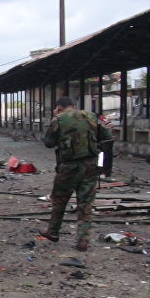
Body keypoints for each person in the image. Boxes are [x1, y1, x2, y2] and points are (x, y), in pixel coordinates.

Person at [40, 96, 113, 251]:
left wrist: (55, 119)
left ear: (59, 108)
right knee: (85, 203)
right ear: (73, 106)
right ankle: (83, 240)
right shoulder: (92, 116)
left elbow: (48, 143)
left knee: (60, 200)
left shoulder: (59, 119)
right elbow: (107, 137)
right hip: (91, 165)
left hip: (69, 166)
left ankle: (53, 232)